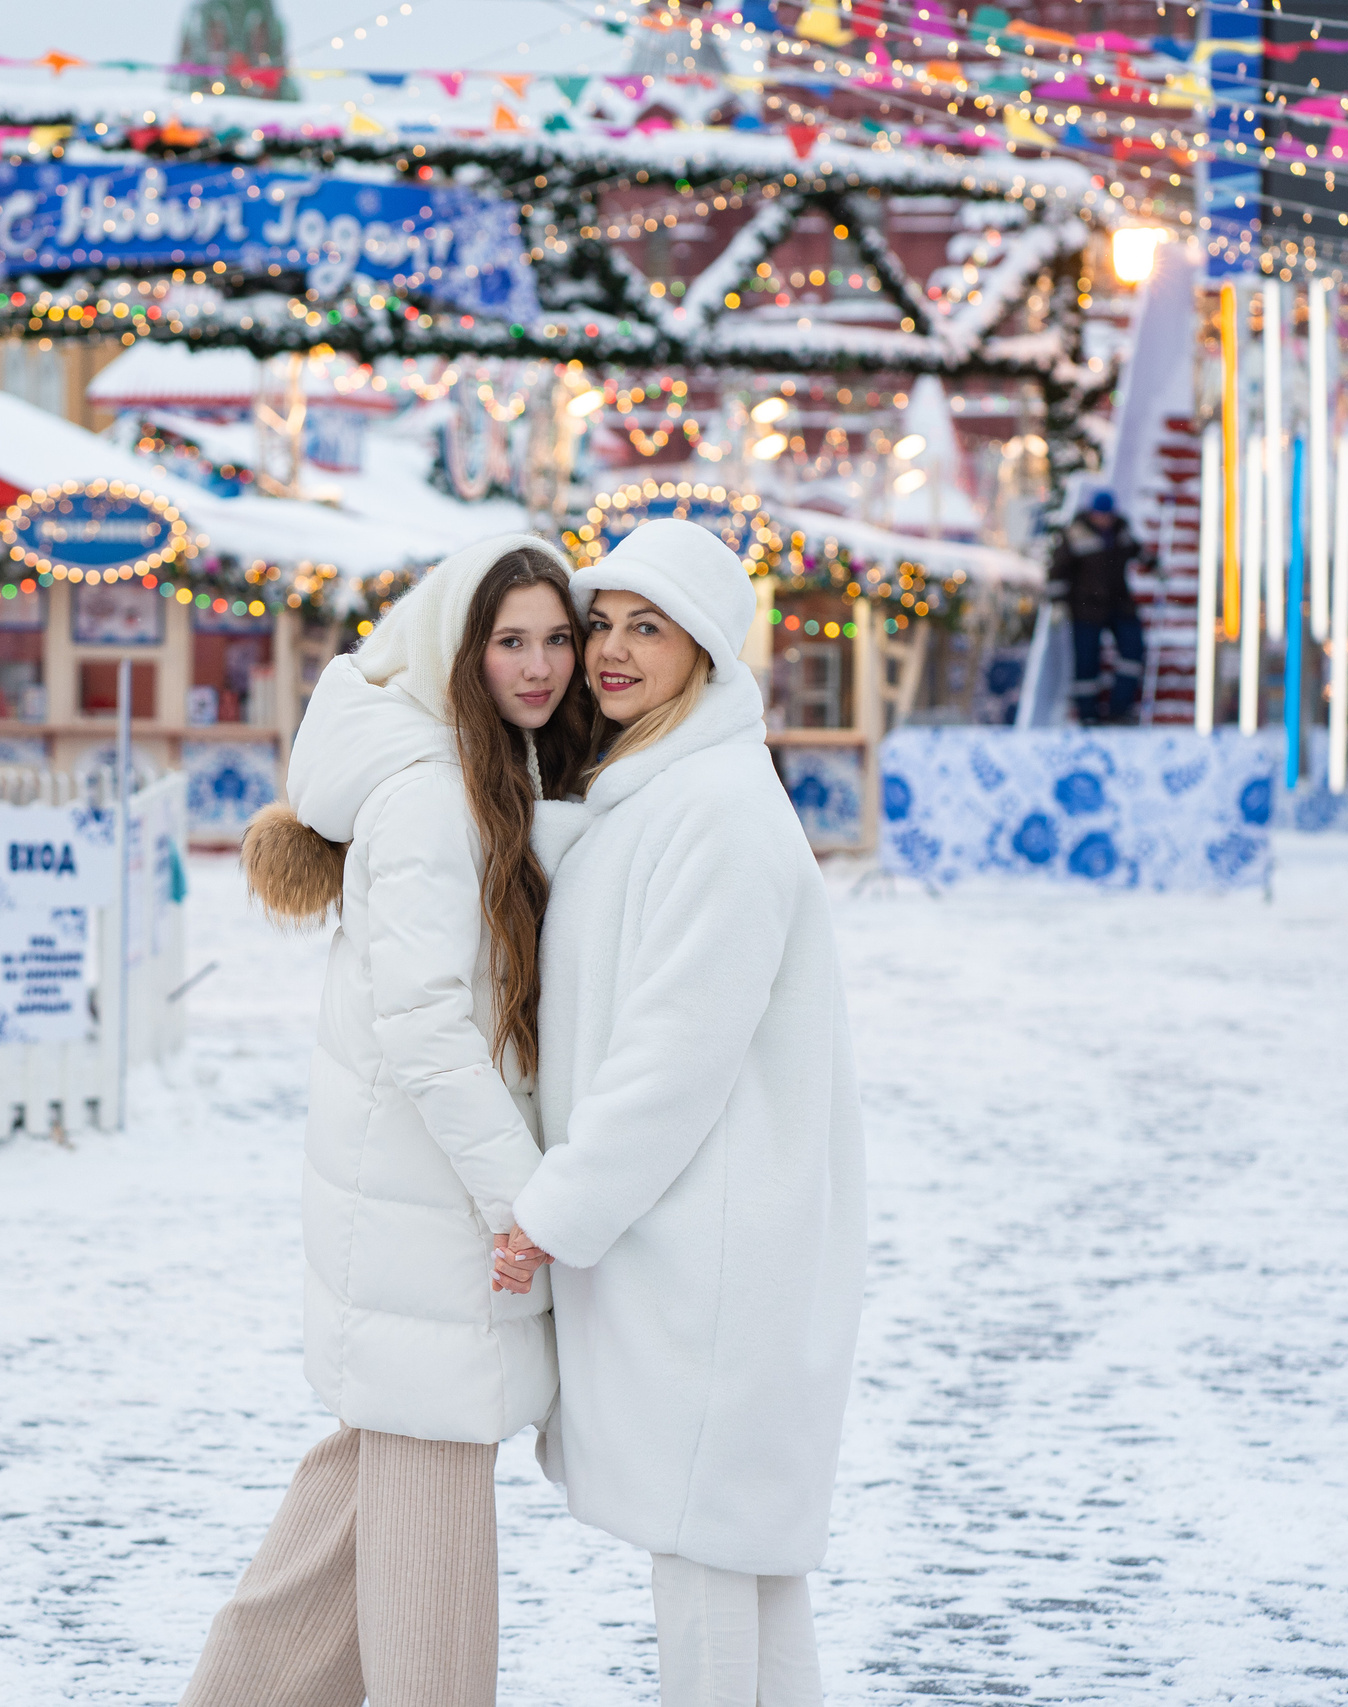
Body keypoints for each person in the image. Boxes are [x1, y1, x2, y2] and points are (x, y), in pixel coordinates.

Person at [191, 535, 591, 1707]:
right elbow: (422, 1024)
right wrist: (522, 1201)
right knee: (433, 1583)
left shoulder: (485, 766)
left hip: (410, 1210)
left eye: (555, 640)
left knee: (343, 1529)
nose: (539, 666)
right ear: (458, 650)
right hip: (433, 1220)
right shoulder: (433, 793)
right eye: (509, 641)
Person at [492, 518, 865, 1707]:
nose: (610, 649)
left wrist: (555, 1210)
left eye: (646, 628)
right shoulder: (663, 793)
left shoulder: (715, 808)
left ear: (703, 647)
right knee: (743, 1556)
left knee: (703, 1550)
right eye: (601, 623)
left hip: (712, 1249)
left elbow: (674, 1056)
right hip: (693, 1235)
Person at [1047, 489, 1147, 725]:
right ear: (1092, 513)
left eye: (1107, 515)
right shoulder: (1075, 534)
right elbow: (1058, 571)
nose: (1104, 519)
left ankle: (1120, 709)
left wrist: (1152, 562)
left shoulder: (1121, 531)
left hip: (1119, 604)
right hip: (1085, 607)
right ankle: (1088, 714)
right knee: (1086, 662)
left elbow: (1135, 551)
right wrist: (1058, 603)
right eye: (1100, 514)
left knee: (1133, 650)